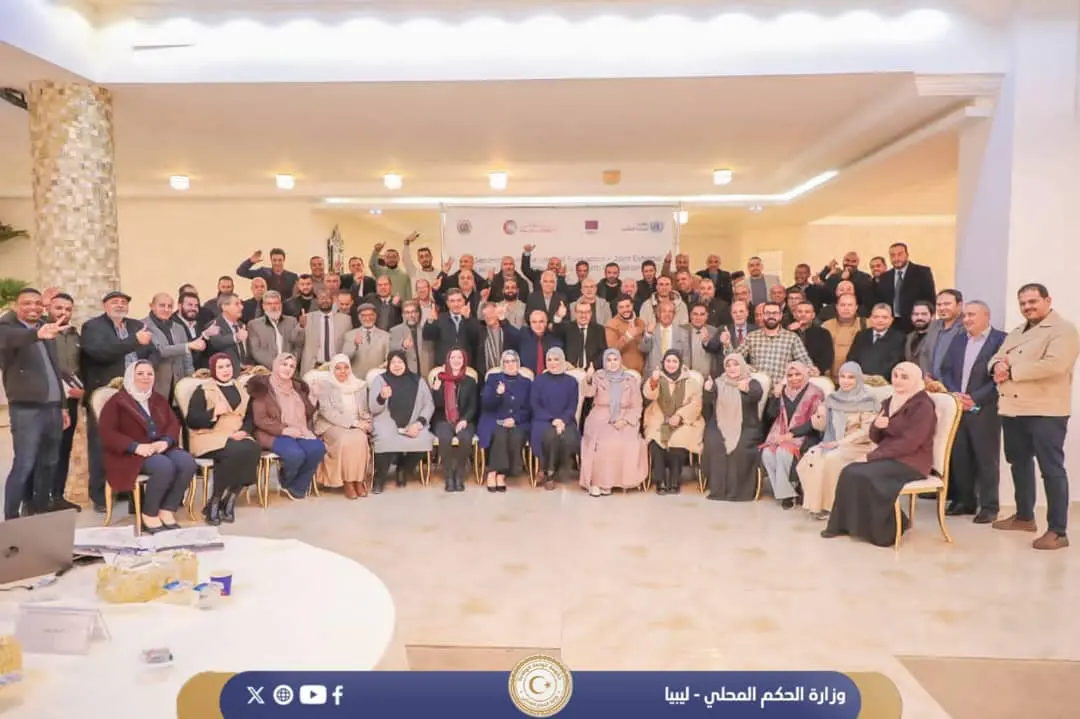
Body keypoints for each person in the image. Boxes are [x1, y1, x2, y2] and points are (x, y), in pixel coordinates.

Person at [989, 283, 1079, 550]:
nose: (1027, 307)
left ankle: (1058, 531)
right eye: (1023, 303)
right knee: (1019, 463)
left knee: (1051, 469)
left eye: (1032, 301)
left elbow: (1055, 364)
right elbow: (997, 356)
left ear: (1047, 300)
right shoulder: (1018, 330)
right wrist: (996, 366)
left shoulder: (1064, 330)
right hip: (1013, 408)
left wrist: (1011, 370)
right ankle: (1024, 517)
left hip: (1045, 411)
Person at [822, 362, 937, 547]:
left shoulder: (923, 405)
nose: (898, 380)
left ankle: (888, 530)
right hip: (890, 456)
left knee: (864, 474)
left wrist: (871, 457)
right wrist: (877, 426)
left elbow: (910, 443)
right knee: (850, 471)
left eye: (904, 377)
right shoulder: (891, 401)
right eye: (895, 376)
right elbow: (876, 437)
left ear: (916, 380)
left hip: (911, 462)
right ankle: (842, 525)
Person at [98, 361, 198, 534]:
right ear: (131, 377)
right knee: (163, 466)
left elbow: (173, 423)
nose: (146, 377)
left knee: (187, 462)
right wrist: (135, 446)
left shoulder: (157, 398)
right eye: (140, 374)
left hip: (159, 447)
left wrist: (165, 441)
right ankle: (149, 514)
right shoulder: (117, 402)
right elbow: (107, 433)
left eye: (149, 374)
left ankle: (167, 509)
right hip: (130, 454)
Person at [0, 288, 68, 518]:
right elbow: (8, 338)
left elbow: (55, 370)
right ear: (15, 307)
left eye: (38, 303)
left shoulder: (45, 328)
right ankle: (11, 518)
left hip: (53, 408)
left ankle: (40, 511)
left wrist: (63, 406)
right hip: (26, 410)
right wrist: (36, 334)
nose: (33, 307)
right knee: (24, 464)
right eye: (26, 303)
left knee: (49, 463)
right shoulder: (8, 328)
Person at [185, 352, 261, 524]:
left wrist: (244, 431)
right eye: (220, 367)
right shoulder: (203, 390)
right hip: (208, 436)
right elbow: (192, 420)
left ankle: (231, 498)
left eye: (228, 366)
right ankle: (215, 500)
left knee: (253, 449)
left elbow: (250, 417)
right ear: (213, 369)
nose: (225, 370)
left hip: (235, 435)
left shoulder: (242, 388)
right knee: (234, 451)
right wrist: (214, 412)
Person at [797, 362, 879, 520]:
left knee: (831, 458)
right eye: (842, 376)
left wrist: (840, 443)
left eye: (851, 377)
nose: (846, 381)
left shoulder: (867, 400)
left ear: (858, 379)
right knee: (812, 455)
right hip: (834, 442)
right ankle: (817, 505)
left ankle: (833, 508)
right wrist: (820, 414)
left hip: (859, 445)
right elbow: (821, 427)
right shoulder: (833, 398)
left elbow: (866, 431)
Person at [247, 353, 325, 500]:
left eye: (292, 366)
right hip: (272, 433)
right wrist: (284, 430)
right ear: (276, 365)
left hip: (299, 430)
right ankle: (286, 481)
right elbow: (260, 419)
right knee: (295, 454)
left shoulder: (298, 387)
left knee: (317, 448)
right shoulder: (263, 387)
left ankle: (297, 487)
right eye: (284, 364)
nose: (288, 369)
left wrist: (313, 397)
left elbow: (307, 414)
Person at [578, 349, 648, 496]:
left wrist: (625, 420)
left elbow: (637, 406)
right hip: (600, 416)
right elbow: (588, 393)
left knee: (623, 442)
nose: (612, 363)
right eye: (609, 360)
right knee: (603, 443)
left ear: (620, 361)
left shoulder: (630, 380)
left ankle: (614, 482)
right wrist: (589, 378)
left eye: (615, 360)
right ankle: (598, 483)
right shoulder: (598, 377)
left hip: (625, 416)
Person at [759, 362, 825, 508]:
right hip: (780, 432)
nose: (794, 378)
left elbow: (816, 421)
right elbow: (770, 415)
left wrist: (791, 434)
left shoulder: (816, 393)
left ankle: (785, 495)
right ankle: (786, 492)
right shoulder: (783, 391)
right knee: (767, 454)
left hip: (806, 434)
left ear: (805, 374)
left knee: (783, 452)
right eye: (790, 375)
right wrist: (776, 396)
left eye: (797, 374)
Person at [368, 350, 435, 492]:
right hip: (386, 422)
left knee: (424, 439)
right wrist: (381, 397)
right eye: (393, 362)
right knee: (384, 439)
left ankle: (403, 469)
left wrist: (418, 424)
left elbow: (429, 405)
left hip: (413, 422)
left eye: (400, 362)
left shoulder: (418, 380)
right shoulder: (380, 380)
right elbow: (373, 408)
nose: (397, 365)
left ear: (405, 363)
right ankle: (380, 478)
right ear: (388, 364)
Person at [702, 354, 764, 502]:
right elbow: (707, 405)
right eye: (728, 365)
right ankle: (718, 490)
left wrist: (746, 390)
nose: (732, 368)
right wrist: (708, 391)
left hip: (746, 426)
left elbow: (757, 396)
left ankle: (738, 492)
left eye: (735, 364)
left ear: (742, 365)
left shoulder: (751, 382)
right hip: (719, 423)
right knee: (715, 443)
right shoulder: (718, 383)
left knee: (740, 449)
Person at [642, 350, 704, 495]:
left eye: (674, 361)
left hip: (685, 420)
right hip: (659, 417)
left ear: (680, 363)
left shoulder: (690, 381)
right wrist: (653, 381)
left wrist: (680, 416)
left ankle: (675, 480)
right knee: (656, 440)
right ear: (663, 363)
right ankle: (660, 481)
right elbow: (649, 395)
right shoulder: (657, 377)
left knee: (678, 438)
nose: (671, 364)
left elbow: (696, 404)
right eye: (668, 361)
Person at [313, 354, 373, 500]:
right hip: (331, 424)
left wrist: (367, 423)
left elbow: (364, 410)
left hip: (356, 423)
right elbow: (327, 412)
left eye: (346, 367)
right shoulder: (325, 385)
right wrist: (354, 423)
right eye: (338, 368)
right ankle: (348, 482)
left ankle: (358, 480)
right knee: (345, 440)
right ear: (332, 370)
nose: (343, 371)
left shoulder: (359, 385)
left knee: (360, 439)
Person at [528, 347, 581, 490]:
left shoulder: (572, 382)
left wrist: (562, 420)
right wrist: (553, 420)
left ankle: (554, 470)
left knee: (566, 436)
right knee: (549, 435)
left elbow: (572, 406)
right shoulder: (539, 380)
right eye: (549, 360)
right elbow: (535, 405)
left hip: (566, 420)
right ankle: (549, 472)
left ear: (562, 361)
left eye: (556, 359)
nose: (553, 363)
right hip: (543, 419)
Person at [478, 350, 532, 491]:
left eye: (513, 361)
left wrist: (515, 419)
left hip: (517, 421)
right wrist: (497, 394)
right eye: (507, 362)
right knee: (500, 433)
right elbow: (486, 404)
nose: (510, 364)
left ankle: (501, 474)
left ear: (518, 363)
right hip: (493, 419)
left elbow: (529, 408)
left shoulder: (526, 383)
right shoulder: (493, 379)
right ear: (502, 364)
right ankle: (493, 472)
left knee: (516, 435)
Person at [431, 347, 479, 492]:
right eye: (453, 357)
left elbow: (473, 405)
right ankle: (448, 477)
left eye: (459, 357)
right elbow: (435, 406)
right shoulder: (439, 379)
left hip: (465, 420)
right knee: (445, 438)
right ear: (448, 360)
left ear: (464, 360)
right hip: (443, 419)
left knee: (465, 438)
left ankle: (459, 475)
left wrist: (464, 420)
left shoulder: (470, 381)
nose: (456, 360)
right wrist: (436, 390)